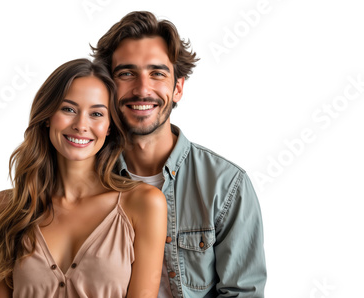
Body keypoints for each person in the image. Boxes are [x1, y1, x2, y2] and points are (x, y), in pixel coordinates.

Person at [91, 11, 267, 297]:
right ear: (107, 86)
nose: (142, 89)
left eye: (157, 73)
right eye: (126, 73)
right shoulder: (83, 177)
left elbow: (243, 292)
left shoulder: (227, 185)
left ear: (178, 87)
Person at [0, 58, 167, 298]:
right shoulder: (4, 208)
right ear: (47, 116)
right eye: (68, 109)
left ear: (109, 126)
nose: (81, 125)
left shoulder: (144, 203)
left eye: (97, 113)